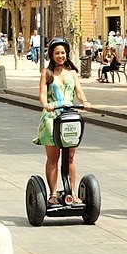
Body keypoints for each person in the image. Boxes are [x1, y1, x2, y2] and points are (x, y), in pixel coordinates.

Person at [33, 38, 91, 206]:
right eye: (57, 53)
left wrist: (85, 102)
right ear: (51, 54)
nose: (60, 56)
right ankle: (52, 193)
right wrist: (46, 105)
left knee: (71, 157)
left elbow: (79, 92)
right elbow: (43, 95)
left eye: (63, 53)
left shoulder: (72, 73)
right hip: (52, 118)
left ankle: (72, 193)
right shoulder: (47, 73)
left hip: (70, 116)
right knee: (54, 157)